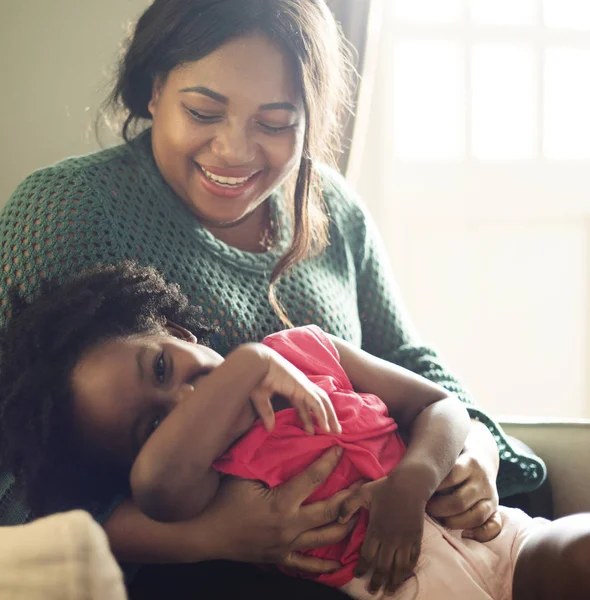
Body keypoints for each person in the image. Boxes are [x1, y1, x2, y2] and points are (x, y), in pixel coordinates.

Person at [0, 0, 545, 597]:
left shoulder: (333, 209)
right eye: (203, 111)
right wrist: (213, 535)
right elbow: (19, 472)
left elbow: (411, 362)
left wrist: (475, 452)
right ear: (154, 90)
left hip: (402, 518)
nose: (234, 150)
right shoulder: (67, 212)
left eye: (276, 122)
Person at [0, 262, 588, 600]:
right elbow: (155, 484)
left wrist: (412, 481)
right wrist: (250, 363)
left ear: (179, 329)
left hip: (496, 540)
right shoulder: (201, 487)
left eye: (162, 366)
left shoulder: (308, 348)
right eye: (152, 426)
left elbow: (440, 407)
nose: (183, 401)